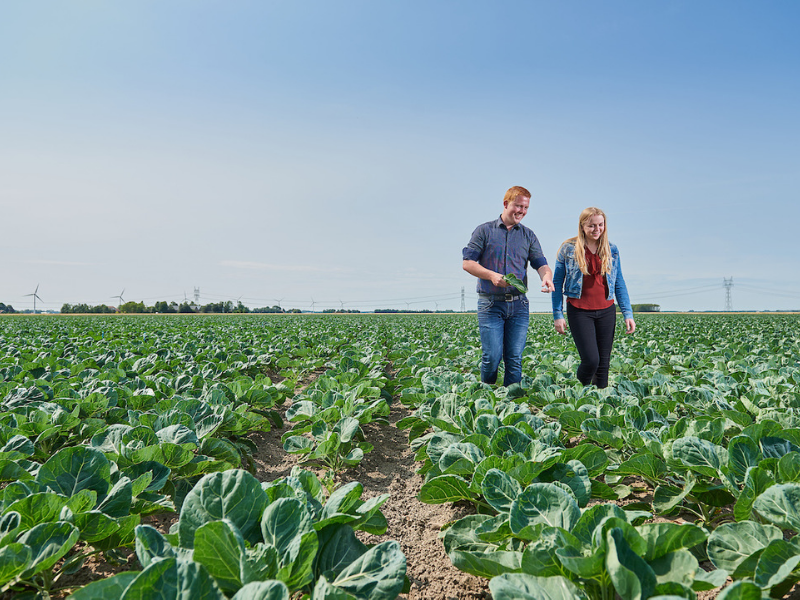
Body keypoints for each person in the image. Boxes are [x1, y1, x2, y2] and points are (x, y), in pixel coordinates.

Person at [462, 186, 554, 386]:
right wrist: (491, 275)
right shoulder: (484, 231)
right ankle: (486, 397)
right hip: (490, 305)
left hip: (519, 306)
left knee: (514, 359)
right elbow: (467, 263)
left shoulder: (528, 235)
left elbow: (541, 264)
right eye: (518, 206)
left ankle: (511, 405)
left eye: (526, 207)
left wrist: (546, 277)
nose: (521, 211)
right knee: (491, 358)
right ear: (506, 204)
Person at [552, 207, 635, 388]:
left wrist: (628, 313)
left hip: (606, 310)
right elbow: (557, 283)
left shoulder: (612, 249)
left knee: (603, 364)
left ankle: (600, 402)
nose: (597, 229)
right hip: (579, 311)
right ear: (582, 226)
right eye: (591, 226)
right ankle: (580, 391)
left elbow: (619, 282)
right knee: (591, 360)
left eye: (600, 225)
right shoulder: (568, 249)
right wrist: (557, 314)